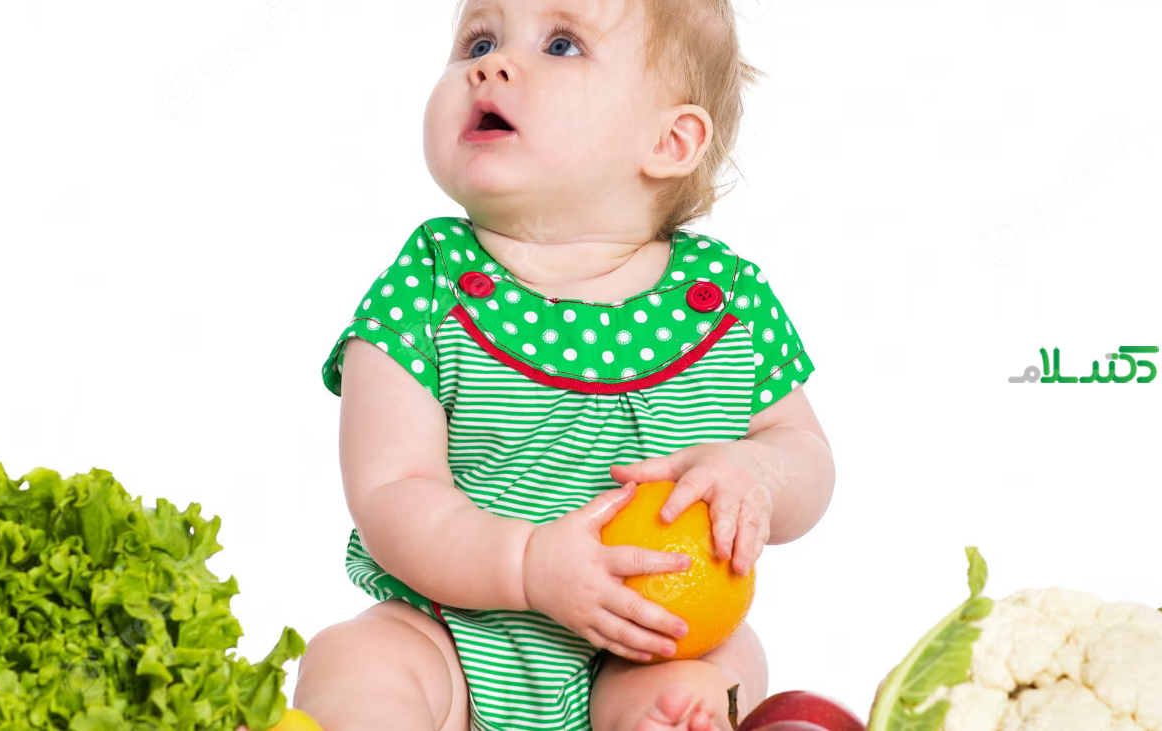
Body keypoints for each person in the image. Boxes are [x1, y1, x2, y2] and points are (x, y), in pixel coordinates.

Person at [298, 1, 835, 730]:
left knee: (718, 665)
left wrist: (753, 472)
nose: (491, 65)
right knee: (355, 659)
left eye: (561, 45)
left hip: (651, 633)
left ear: (670, 140)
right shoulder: (428, 284)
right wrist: (526, 563)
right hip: (450, 630)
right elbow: (391, 491)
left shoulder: (726, 300)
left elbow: (806, 455)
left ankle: (670, 717)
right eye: (478, 41)